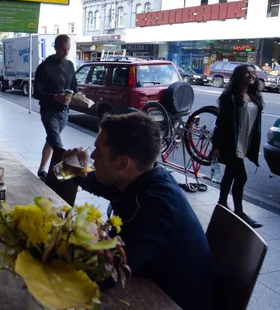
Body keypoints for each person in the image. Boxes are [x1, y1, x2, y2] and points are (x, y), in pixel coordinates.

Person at [64, 112, 213, 310]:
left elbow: (106, 273)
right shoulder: (144, 176)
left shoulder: (155, 207)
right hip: (146, 282)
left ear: (122, 163)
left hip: (170, 302)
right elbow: (100, 183)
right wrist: (75, 169)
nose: (92, 156)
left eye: (98, 150)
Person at [211, 64, 263, 228]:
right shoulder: (230, 97)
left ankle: (222, 203)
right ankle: (239, 211)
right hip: (232, 142)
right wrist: (216, 145)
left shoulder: (254, 96)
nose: (251, 75)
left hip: (246, 141)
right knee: (241, 177)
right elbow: (221, 123)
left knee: (230, 174)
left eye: (253, 73)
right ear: (239, 76)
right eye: (247, 73)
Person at [33, 34, 78, 181]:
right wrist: (54, 97)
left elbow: (74, 87)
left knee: (51, 140)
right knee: (57, 144)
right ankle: (63, 177)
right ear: (55, 47)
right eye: (62, 50)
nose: (65, 53)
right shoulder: (44, 67)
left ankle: (41, 170)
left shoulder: (70, 65)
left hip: (64, 112)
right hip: (49, 111)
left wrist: (80, 98)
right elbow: (37, 93)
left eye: (68, 50)